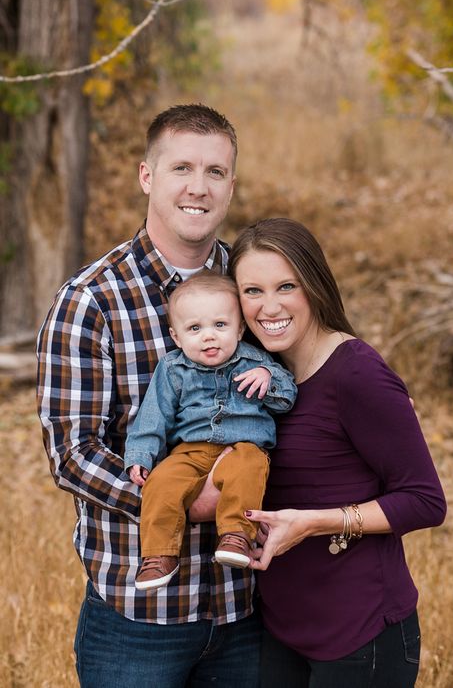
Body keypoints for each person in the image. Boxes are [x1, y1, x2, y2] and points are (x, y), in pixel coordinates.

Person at [36, 104, 264, 688]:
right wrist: (186, 500)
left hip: (251, 611)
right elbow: (72, 454)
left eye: (215, 172)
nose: (198, 187)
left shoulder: (254, 285)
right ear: (147, 176)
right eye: (181, 168)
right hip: (138, 621)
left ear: (232, 185)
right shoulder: (91, 301)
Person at [223, 217, 446, 688]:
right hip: (282, 628)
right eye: (252, 291)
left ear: (316, 286)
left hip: (360, 636)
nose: (270, 307)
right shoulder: (256, 375)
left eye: (287, 286)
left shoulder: (357, 374)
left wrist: (315, 522)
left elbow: (426, 500)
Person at [124, 270, 297, 589]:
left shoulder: (255, 361)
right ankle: (159, 555)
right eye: (195, 328)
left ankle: (235, 537)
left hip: (245, 445)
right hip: (190, 451)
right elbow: (153, 417)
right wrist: (140, 456)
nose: (209, 336)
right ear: (176, 337)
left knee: (249, 469)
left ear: (240, 328)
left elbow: (287, 399)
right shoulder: (173, 368)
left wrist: (268, 379)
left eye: (220, 325)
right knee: (161, 482)